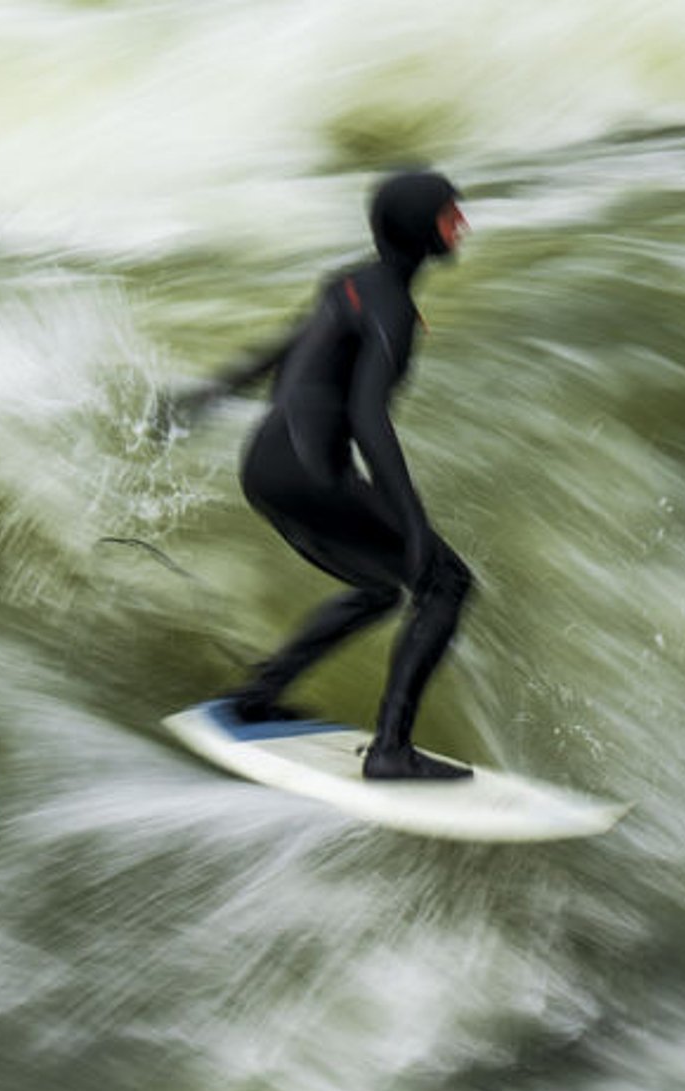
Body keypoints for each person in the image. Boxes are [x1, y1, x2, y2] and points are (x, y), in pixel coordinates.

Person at [191, 170, 475, 781]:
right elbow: (366, 413)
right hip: (311, 473)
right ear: (421, 228)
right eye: (452, 214)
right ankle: (391, 750)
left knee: (378, 587)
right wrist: (413, 520)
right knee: (445, 584)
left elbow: (283, 349)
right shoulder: (393, 311)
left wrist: (209, 395)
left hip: (265, 463)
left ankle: (258, 697)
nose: (463, 225)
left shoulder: (349, 284)